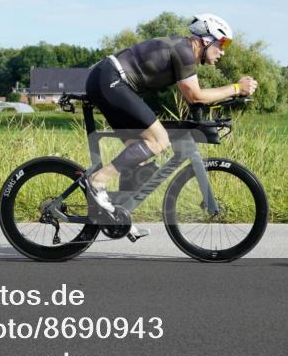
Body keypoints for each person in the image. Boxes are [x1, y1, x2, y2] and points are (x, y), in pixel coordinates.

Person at [81, 13, 258, 239]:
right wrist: (236, 88)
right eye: (222, 44)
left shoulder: (183, 51)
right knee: (159, 139)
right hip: (111, 79)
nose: (223, 52)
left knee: (138, 153)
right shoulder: (184, 51)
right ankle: (96, 181)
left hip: (108, 79)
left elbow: (194, 97)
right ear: (206, 40)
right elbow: (195, 96)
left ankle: (118, 215)